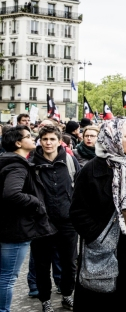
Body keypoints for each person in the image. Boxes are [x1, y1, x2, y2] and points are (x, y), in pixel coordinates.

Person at [70, 119, 126, 311]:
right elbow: (77, 211)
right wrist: (98, 236)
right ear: (113, 139)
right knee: (101, 299)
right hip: (101, 247)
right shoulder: (90, 170)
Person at [0, 126, 55, 312]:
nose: (33, 139)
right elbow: (12, 194)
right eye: (29, 136)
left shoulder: (6, 161)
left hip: (7, 225)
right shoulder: (17, 165)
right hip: (16, 229)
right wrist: (36, 201)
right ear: (18, 143)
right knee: (7, 278)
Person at [29, 125, 81, 312]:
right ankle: (45, 299)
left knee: (69, 262)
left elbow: (79, 187)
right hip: (41, 223)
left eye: (52, 139)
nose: (48, 143)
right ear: (40, 141)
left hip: (67, 221)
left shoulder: (69, 160)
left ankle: (67, 294)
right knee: (42, 264)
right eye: (45, 139)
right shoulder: (32, 162)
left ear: (60, 141)